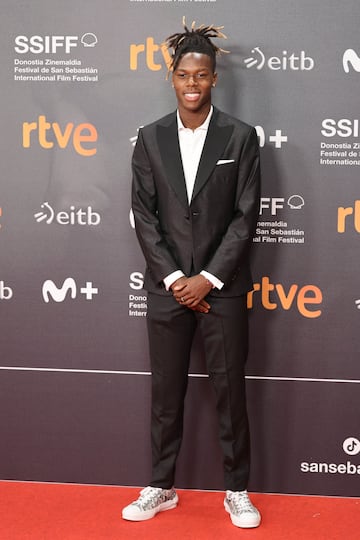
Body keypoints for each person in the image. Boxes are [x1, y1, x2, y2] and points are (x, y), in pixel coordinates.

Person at [122, 19, 261, 529]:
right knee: (165, 395)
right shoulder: (150, 138)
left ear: (214, 79)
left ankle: (238, 491)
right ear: (172, 78)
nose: (192, 84)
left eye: (201, 76)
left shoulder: (241, 138)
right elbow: (144, 214)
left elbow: (247, 217)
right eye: (184, 75)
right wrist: (178, 279)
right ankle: (161, 487)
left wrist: (209, 280)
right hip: (167, 289)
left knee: (231, 393)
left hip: (222, 291)